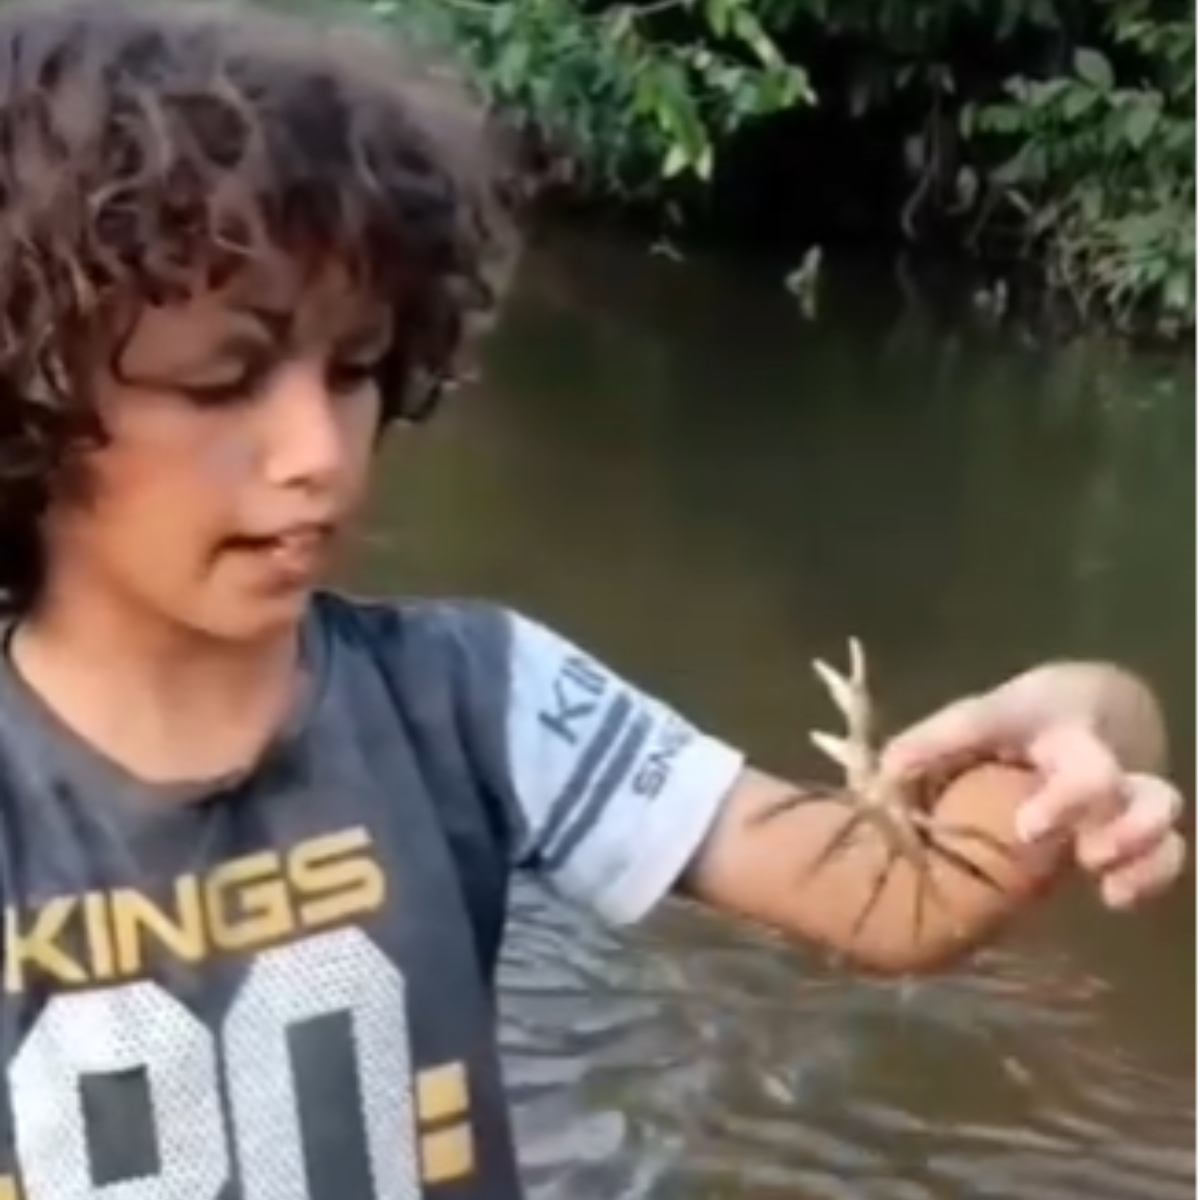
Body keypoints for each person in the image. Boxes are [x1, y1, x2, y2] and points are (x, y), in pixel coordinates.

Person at [0, 1, 1185, 1197]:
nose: (320, 448)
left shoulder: (476, 697)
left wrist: (1093, 718)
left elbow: (900, 895)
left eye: (357, 367)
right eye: (224, 380)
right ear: (27, 398)